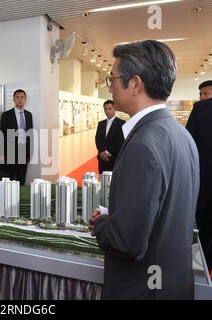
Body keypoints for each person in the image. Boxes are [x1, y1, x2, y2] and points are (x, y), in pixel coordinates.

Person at [88, 40, 199, 299]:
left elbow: (127, 242)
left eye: (113, 78)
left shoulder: (143, 144)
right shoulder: (180, 135)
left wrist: (102, 223)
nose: (111, 86)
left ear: (135, 83)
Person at [186, 82, 212, 270]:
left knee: (202, 230)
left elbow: (189, 144)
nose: (202, 97)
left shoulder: (200, 109)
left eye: (205, 93)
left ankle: (202, 268)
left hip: (204, 184)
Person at [0, 89, 33, 185]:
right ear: (13, 99)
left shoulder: (28, 115)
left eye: (22, 97)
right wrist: (3, 153)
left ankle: (19, 198)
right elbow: (2, 135)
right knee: (9, 178)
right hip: (11, 151)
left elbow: (30, 134)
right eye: (17, 97)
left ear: (25, 99)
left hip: (24, 150)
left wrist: (29, 151)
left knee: (21, 177)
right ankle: (9, 198)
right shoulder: (6, 115)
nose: (20, 100)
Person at [95, 100, 125, 173]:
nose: (107, 111)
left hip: (113, 158)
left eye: (110, 108)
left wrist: (107, 153)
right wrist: (101, 152)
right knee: (102, 179)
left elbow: (120, 141)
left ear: (114, 109)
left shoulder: (121, 123)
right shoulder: (101, 124)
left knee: (113, 181)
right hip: (102, 159)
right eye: (105, 109)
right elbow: (97, 139)